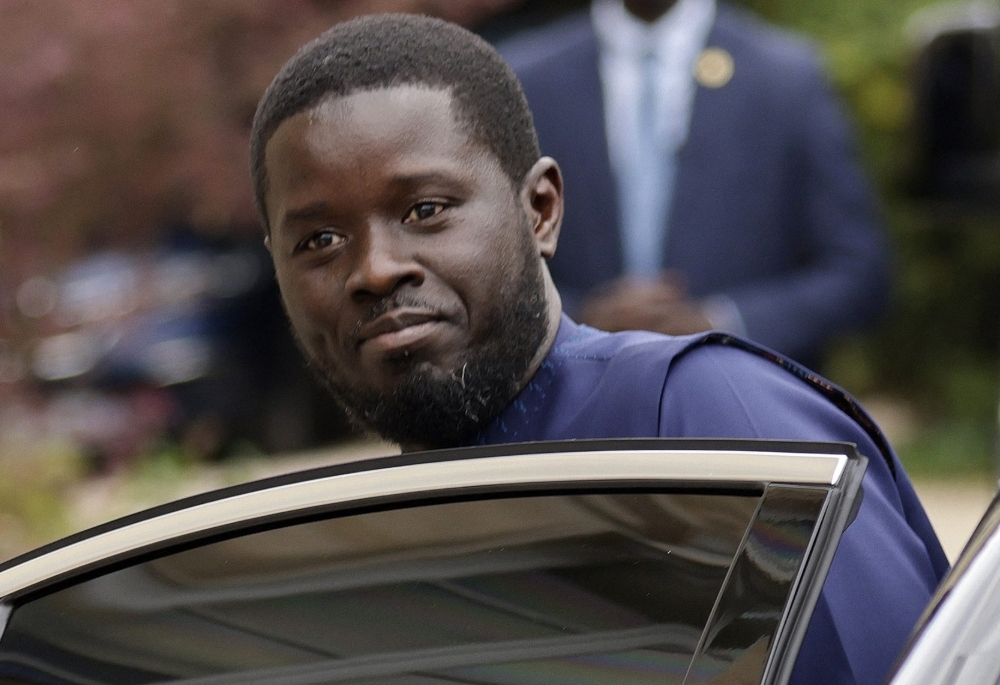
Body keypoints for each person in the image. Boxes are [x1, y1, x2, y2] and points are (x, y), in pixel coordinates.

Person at [250, 14, 946, 685]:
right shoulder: (356, 551)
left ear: (540, 210)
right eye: (320, 241)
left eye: (425, 210)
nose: (374, 269)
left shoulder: (711, 418)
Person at [496, 0, 890, 366]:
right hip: (570, 415)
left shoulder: (785, 78)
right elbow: (490, 264)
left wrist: (722, 323)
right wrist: (575, 319)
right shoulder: (525, 78)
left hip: (743, 410)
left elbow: (859, 272)